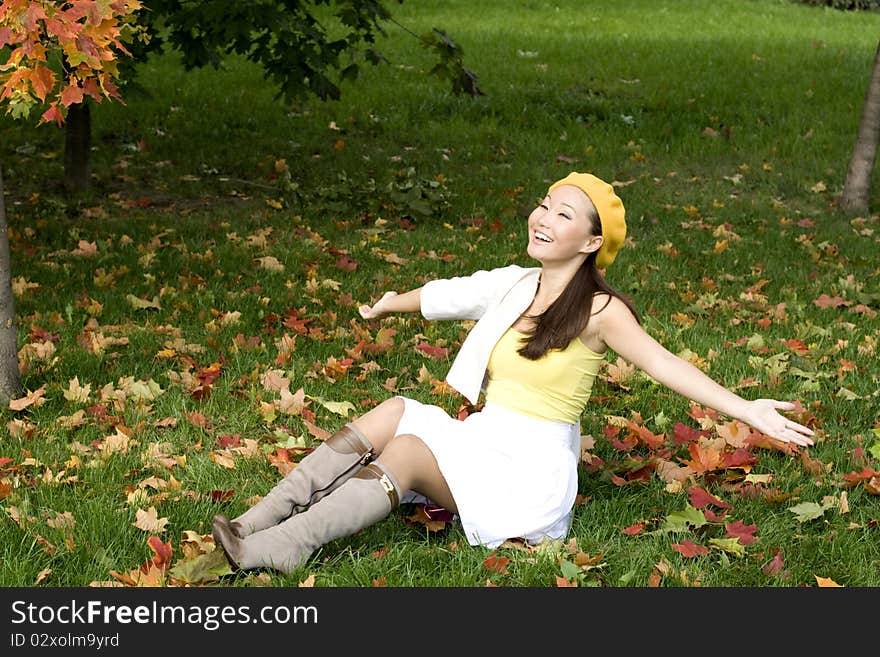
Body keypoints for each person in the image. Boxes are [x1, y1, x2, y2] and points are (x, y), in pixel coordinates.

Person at [211, 171, 815, 574]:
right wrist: (392, 302)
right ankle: (259, 519)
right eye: (545, 204)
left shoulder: (601, 311)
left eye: (565, 214)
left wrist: (747, 409)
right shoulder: (517, 282)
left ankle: (288, 546)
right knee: (396, 410)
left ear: (590, 243)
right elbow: (448, 293)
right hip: (487, 438)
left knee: (411, 451)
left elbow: (663, 363)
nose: (544, 216)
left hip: (529, 471)